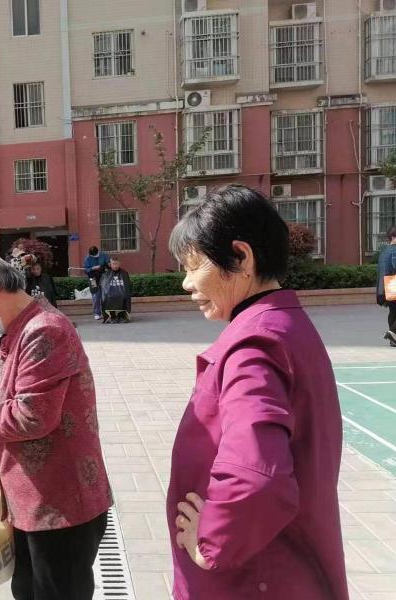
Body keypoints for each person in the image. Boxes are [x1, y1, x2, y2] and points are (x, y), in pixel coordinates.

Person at [166, 185, 348, 599]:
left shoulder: (254, 345)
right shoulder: (284, 324)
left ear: (241, 257)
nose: (187, 283)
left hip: (255, 576)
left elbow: (257, 478)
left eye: (193, 266)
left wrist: (211, 540)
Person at [0, 247, 111, 600]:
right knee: (27, 590)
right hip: (33, 501)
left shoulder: (44, 330)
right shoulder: (19, 330)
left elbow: (32, 416)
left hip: (60, 506)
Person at [376, 224, 396, 347]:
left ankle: (393, 340)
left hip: (387, 285)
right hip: (394, 283)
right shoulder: (394, 250)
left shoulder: (384, 251)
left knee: (393, 311)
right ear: (393, 237)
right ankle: (392, 332)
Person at [100, 258, 131, 323]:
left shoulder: (124, 273)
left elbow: (127, 286)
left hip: (122, 294)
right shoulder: (106, 274)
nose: (115, 266)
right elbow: (104, 287)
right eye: (113, 264)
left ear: (119, 264)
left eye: (116, 264)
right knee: (107, 298)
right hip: (109, 294)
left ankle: (122, 316)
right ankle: (112, 316)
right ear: (110, 264)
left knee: (124, 297)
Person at [84, 246, 109, 320]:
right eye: (93, 255)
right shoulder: (87, 258)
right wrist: (92, 268)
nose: (95, 256)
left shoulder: (103, 255)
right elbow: (86, 269)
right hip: (92, 278)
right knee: (95, 295)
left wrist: (107, 265)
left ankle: (106, 312)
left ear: (98, 252)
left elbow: (108, 263)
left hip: (103, 277)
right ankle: (97, 313)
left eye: (96, 254)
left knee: (105, 294)